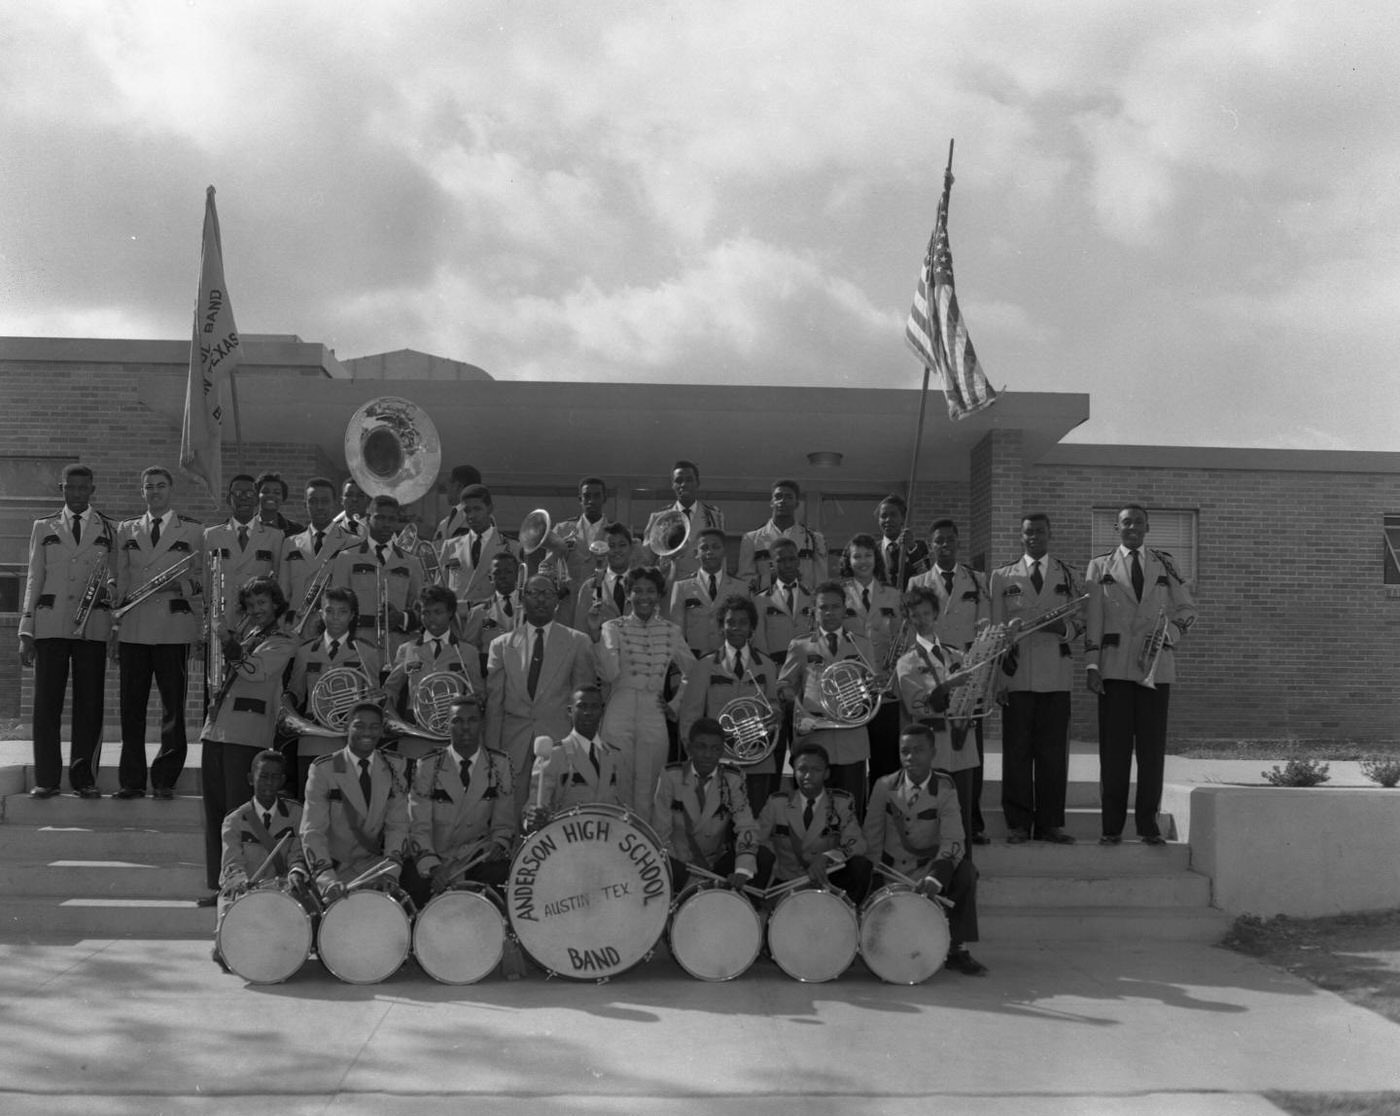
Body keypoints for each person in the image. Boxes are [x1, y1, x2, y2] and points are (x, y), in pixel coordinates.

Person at [1085, 504, 1198, 846]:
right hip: (1114, 667)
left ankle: (1149, 825)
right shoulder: (1100, 565)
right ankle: (1111, 827)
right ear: (1116, 528)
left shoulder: (1164, 563)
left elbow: (1187, 608)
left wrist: (1171, 635)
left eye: (1137, 522)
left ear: (1147, 527)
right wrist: (1092, 664)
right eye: (1125, 522)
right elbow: (1093, 618)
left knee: (1151, 751)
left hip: (1155, 668)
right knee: (1114, 751)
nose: (1131, 527)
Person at [197, 575, 297, 905]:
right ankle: (222, 884)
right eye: (251, 605)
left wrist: (227, 641)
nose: (256, 610)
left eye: (262, 604)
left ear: (276, 605)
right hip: (218, 727)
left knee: (238, 811)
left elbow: (254, 670)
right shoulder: (247, 632)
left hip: (248, 732)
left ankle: (244, 886)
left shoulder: (283, 640)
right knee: (215, 812)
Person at [19, 463, 116, 799]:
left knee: (90, 704)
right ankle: (46, 778)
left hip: (92, 627)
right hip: (50, 624)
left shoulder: (109, 528)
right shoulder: (43, 526)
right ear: (61, 489)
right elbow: (34, 577)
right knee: (47, 704)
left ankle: (84, 777)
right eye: (70, 488)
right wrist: (25, 629)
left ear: (93, 489)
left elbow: (115, 581)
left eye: (82, 488)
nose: (76, 494)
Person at [111, 466, 205, 800]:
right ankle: (132, 780)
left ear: (171, 490)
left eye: (160, 486)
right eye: (148, 487)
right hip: (134, 628)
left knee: (173, 709)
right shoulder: (126, 530)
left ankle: (165, 778)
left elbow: (204, 579)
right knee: (131, 709)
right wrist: (114, 627)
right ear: (142, 492)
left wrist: (183, 584)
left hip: (173, 630)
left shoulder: (193, 531)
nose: (154, 492)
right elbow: (120, 580)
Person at [990, 514, 1083, 844]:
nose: (1034, 537)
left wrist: (1062, 629)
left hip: (1055, 677)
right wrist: (998, 680)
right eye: (1028, 532)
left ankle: (1049, 824)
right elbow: (995, 633)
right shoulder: (1002, 576)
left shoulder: (1067, 574)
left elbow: (1080, 622)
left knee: (1053, 754)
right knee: (1016, 753)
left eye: (1040, 532)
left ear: (1049, 534)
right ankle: (1017, 823)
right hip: (1017, 676)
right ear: (1021, 536)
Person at [864, 724, 986, 975]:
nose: (910, 757)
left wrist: (936, 877)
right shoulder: (884, 786)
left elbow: (954, 840)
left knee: (966, 872)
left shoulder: (945, 788)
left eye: (919, 750)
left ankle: (957, 948)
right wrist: (875, 876)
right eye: (904, 751)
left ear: (933, 752)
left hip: (928, 872)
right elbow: (871, 836)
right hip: (892, 871)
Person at [485, 575, 598, 816]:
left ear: (557, 600)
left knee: (558, 814)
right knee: (511, 813)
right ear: (522, 599)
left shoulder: (578, 642)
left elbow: (583, 704)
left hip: (561, 743)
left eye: (547, 593)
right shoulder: (501, 646)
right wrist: (493, 752)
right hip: (512, 745)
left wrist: (581, 748)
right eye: (534, 593)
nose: (540, 599)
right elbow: (495, 704)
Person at [908, 519, 989, 843]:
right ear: (931, 545)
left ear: (958, 543)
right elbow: (913, 627)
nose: (945, 545)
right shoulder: (917, 582)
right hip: (933, 675)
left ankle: (973, 822)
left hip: (969, 674)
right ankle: (935, 819)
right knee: (937, 751)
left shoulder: (977, 580)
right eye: (939, 541)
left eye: (950, 540)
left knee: (969, 751)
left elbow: (985, 630)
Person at [594, 566, 697, 811]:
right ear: (628, 595)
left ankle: (647, 843)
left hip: (653, 710)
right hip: (620, 707)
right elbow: (608, 674)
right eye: (637, 591)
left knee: (651, 783)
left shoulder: (671, 631)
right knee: (618, 779)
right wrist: (596, 635)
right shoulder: (612, 627)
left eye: (650, 591)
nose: (644, 597)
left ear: (659, 595)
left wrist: (675, 705)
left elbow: (693, 672)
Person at [403, 694, 516, 909]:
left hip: (475, 856)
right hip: (435, 856)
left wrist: (498, 845)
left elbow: (505, 824)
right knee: (414, 884)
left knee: (500, 874)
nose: (465, 727)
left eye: (472, 720)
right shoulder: (427, 766)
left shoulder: (499, 765)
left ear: (482, 724)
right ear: (448, 725)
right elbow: (418, 827)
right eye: (457, 721)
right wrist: (434, 867)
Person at [777, 580, 877, 808]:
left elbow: (871, 688)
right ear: (814, 610)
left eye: (835, 606)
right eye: (823, 607)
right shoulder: (801, 645)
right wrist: (792, 699)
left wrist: (872, 688)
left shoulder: (861, 645)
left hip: (851, 738)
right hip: (815, 737)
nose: (830, 612)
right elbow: (783, 683)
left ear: (845, 609)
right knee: (814, 808)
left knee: (851, 806)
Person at [677, 596, 781, 809]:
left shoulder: (767, 665)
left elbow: (773, 705)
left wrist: (777, 713)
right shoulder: (705, 666)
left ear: (752, 628)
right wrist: (696, 759)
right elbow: (690, 715)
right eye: (730, 622)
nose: (736, 628)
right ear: (721, 627)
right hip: (718, 762)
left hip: (757, 761)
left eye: (743, 623)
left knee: (753, 824)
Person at [894, 586, 979, 844]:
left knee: (962, 814)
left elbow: (978, 690)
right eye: (915, 615)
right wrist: (948, 687)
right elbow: (917, 706)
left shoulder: (957, 655)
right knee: (934, 816)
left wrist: (996, 647)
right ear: (908, 619)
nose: (922, 620)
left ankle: (962, 869)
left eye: (927, 613)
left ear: (936, 615)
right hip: (933, 749)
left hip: (962, 746)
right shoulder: (906, 662)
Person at [300, 701, 411, 899]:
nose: (367, 732)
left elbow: (398, 825)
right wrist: (326, 880)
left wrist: (391, 873)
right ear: (346, 727)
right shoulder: (326, 768)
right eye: (359, 725)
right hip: (334, 870)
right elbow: (312, 831)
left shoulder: (393, 766)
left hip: (374, 869)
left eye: (374, 726)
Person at [212, 750, 308, 969]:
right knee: (232, 956)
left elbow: (298, 852)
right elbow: (231, 862)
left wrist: (296, 872)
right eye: (263, 776)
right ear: (250, 778)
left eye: (275, 777)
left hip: (281, 889)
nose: (269, 782)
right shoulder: (234, 820)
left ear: (283, 780)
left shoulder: (296, 815)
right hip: (243, 890)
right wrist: (240, 882)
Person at [282, 585, 382, 798]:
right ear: (321, 613)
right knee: (310, 802)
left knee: (343, 806)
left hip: (345, 743)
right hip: (311, 741)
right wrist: (286, 705)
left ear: (352, 615)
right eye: (329, 610)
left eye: (342, 611)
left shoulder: (367, 653)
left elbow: (373, 698)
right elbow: (295, 692)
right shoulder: (305, 652)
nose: (335, 617)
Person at [651, 718, 759, 893]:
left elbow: (746, 826)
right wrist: (683, 871)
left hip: (714, 863)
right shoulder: (671, 776)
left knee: (763, 857)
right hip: (679, 863)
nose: (708, 755)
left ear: (722, 750)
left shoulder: (732, 779)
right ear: (689, 747)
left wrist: (742, 870)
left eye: (715, 749)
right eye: (701, 747)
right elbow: (660, 833)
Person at [754, 742, 872, 901]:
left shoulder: (840, 802)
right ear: (794, 772)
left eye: (816, 770)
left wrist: (828, 857)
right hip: (787, 882)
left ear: (826, 773)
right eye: (802, 769)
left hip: (827, 881)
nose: (808, 775)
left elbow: (857, 843)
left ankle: (851, 911)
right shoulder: (777, 803)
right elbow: (755, 840)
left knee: (860, 864)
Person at [382, 585, 484, 763]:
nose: (431, 619)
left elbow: (479, 693)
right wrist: (396, 720)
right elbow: (390, 690)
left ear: (451, 613)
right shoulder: (407, 649)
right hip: (415, 736)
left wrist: (477, 699)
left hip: (451, 738)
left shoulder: (468, 651)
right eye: (425, 613)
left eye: (438, 612)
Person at [326, 493, 424, 668]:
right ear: (369, 518)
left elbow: (421, 610)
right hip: (355, 648)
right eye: (380, 517)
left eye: (391, 519)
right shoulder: (347, 558)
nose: (386, 523)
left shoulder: (412, 563)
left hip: (397, 651)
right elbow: (335, 608)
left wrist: (401, 618)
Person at [840, 533, 905, 783]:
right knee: (852, 761)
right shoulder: (838, 593)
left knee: (886, 760)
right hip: (851, 688)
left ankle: (883, 817)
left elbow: (902, 638)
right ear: (849, 560)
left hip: (885, 686)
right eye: (857, 556)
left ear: (876, 559)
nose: (863, 561)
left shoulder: (893, 595)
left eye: (868, 555)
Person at [203, 474, 284, 660]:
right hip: (222, 625)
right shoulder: (212, 536)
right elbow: (207, 586)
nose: (244, 497)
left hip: (257, 627)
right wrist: (207, 626)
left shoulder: (275, 537)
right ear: (228, 498)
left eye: (249, 493)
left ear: (257, 499)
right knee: (218, 686)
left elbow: (279, 584)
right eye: (237, 492)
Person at [525, 686, 625, 827]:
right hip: (566, 841)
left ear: (602, 710)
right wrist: (532, 819)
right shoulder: (553, 755)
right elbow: (534, 808)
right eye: (581, 706)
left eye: (594, 707)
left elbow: (624, 810)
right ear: (570, 711)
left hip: (606, 842)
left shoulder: (615, 756)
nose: (588, 713)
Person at [277, 476, 357, 635]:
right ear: (304, 504)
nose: (320, 507)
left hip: (334, 628)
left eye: (325, 501)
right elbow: (282, 593)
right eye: (313, 501)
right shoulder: (290, 543)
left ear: (335, 504)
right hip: (294, 627)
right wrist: (282, 626)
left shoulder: (353, 542)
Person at [667, 527, 757, 657]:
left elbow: (749, 631)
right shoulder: (682, 587)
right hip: (693, 663)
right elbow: (676, 632)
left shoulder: (741, 588)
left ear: (724, 552)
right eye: (704, 548)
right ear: (695, 553)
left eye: (716, 547)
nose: (710, 552)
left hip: (728, 663)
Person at [737, 479, 827, 594]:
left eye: (789, 497)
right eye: (778, 496)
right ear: (771, 502)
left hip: (803, 605)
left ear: (797, 504)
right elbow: (745, 579)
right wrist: (772, 578)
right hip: (767, 605)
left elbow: (821, 581)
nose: (782, 501)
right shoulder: (751, 539)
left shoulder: (814, 539)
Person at [641, 460, 725, 583]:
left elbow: (722, 558)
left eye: (689, 480)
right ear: (672, 485)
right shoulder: (658, 518)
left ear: (697, 483)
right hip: (669, 586)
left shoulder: (714, 516)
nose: (684, 484)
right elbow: (646, 560)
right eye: (678, 481)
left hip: (702, 585)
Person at [441, 484, 519, 607]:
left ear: (490, 508)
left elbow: (517, 592)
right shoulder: (451, 546)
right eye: (467, 511)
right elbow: (440, 590)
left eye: (477, 509)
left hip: (492, 620)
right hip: (458, 621)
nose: (471, 516)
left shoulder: (511, 547)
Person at [753, 536, 813, 666]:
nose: (788, 565)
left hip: (807, 669)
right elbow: (759, 642)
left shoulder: (812, 598)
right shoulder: (761, 600)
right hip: (776, 670)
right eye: (781, 560)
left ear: (798, 561)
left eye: (792, 559)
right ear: (771, 564)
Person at [460, 551, 522, 669]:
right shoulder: (479, 612)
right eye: (497, 573)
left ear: (518, 575)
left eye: (508, 572)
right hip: (492, 674)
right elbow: (469, 648)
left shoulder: (529, 606)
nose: (503, 576)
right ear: (490, 578)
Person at [571, 521, 633, 635]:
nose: (617, 550)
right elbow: (580, 631)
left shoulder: (641, 583)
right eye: (611, 545)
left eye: (622, 545)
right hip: (600, 651)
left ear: (631, 548)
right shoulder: (589, 587)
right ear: (604, 549)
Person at [875, 494, 931, 590]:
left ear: (903, 518)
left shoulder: (918, 547)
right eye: (883, 516)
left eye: (893, 515)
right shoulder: (872, 550)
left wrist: (912, 549)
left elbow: (926, 578)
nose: (888, 520)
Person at [432, 465, 487, 543]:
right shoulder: (444, 523)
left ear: (458, 486)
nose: (446, 487)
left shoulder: (481, 519)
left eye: (450, 482)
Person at [254, 471, 305, 538]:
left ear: (282, 498)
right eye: (265, 492)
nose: (271, 495)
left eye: (277, 492)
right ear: (257, 495)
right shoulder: (245, 527)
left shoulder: (296, 530)